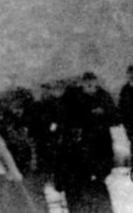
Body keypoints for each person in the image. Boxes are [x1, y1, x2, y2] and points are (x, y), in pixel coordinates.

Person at [55, 72, 117, 213]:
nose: (90, 87)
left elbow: (114, 118)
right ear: (82, 84)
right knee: (81, 196)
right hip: (78, 165)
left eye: (92, 84)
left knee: (96, 195)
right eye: (87, 84)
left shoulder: (103, 97)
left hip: (96, 156)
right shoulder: (72, 100)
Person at [119, 64, 133, 156]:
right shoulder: (125, 90)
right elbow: (122, 108)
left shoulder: (125, 90)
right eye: (130, 74)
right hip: (130, 124)